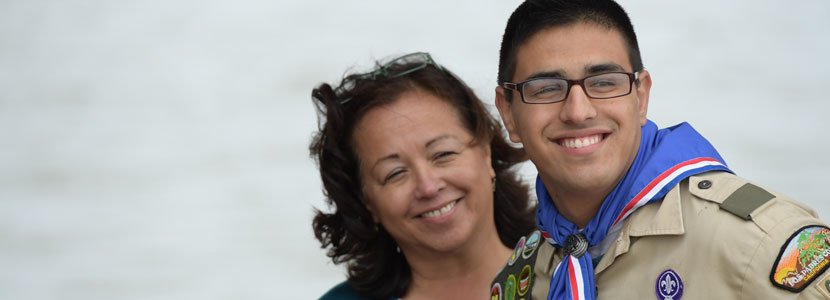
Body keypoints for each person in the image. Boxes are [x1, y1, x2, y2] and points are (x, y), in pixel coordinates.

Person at [492, 0, 830, 299]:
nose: (578, 111)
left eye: (604, 82)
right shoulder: (523, 277)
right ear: (508, 113)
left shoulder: (755, 243)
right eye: (546, 88)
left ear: (641, 97)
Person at [309, 52, 537, 299]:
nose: (428, 187)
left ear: (486, 153)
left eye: (442, 154)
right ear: (365, 202)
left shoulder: (573, 276)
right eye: (395, 173)